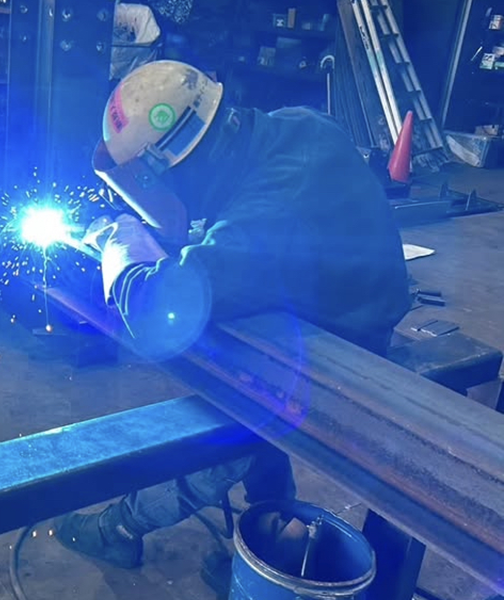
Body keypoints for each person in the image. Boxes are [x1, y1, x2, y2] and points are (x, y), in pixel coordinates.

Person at [53, 60, 411, 589]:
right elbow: (239, 232)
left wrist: (120, 246)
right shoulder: (300, 125)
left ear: (176, 167)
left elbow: (156, 309)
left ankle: (120, 528)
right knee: (247, 396)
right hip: (343, 306)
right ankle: (268, 544)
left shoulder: (262, 220)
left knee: (226, 425)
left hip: (344, 349)